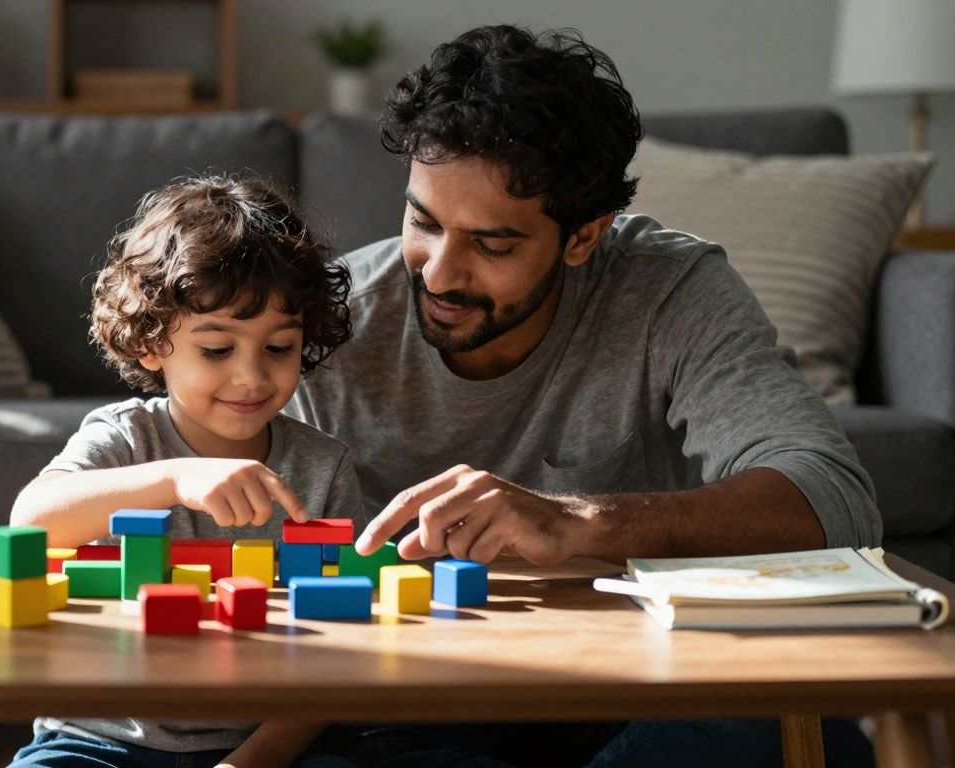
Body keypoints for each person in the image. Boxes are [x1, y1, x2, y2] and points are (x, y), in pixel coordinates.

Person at [285, 24, 881, 768]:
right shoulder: (335, 324)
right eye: (423, 221)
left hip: (652, 682)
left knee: (789, 740)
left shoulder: (670, 291)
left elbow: (834, 499)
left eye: (492, 244)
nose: (439, 273)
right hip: (438, 697)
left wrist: (579, 522)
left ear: (583, 236)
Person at [8, 175, 365, 768]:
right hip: (101, 736)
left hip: (256, 745)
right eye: (217, 350)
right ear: (152, 343)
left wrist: (251, 761)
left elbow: (347, 643)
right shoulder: (126, 437)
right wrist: (173, 479)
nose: (251, 378)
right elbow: (30, 520)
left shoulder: (323, 468)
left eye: (278, 348)